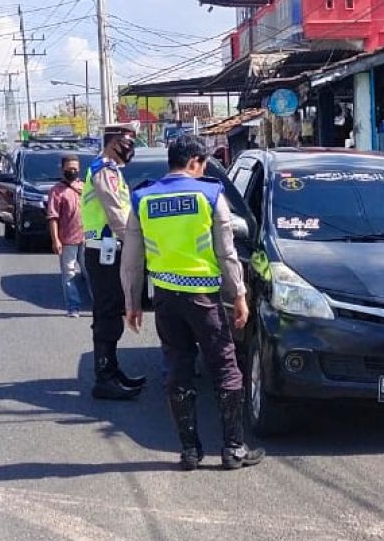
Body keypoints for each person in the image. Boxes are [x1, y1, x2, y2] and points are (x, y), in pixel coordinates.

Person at [121, 134, 264, 471]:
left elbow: (131, 259)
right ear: (195, 162)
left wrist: (132, 302)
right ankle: (233, 449)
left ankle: (189, 451)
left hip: (166, 299)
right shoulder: (210, 194)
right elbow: (227, 253)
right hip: (203, 298)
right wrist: (239, 296)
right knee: (226, 368)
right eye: (203, 163)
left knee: (177, 369)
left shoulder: (142, 197)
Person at [82, 124, 146, 400]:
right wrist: (136, 244)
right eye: (126, 141)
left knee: (112, 310)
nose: (130, 146)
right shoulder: (104, 171)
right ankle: (104, 377)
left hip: (107, 250)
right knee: (108, 313)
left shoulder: (112, 171)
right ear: (112, 143)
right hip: (104, 251)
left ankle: (112, 369)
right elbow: (117, 215)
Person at [47, 155, 90, 317]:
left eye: (75, 169)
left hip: (86, 238)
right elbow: (53, 217)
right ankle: (73, 307)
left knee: (91, 273)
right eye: (69, 169)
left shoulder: (85, 187)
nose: (72, 171)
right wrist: (55, 240)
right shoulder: (56, 191)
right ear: (62, 169)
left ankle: (99, 306)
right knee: (69, 274)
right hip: (67, 240)